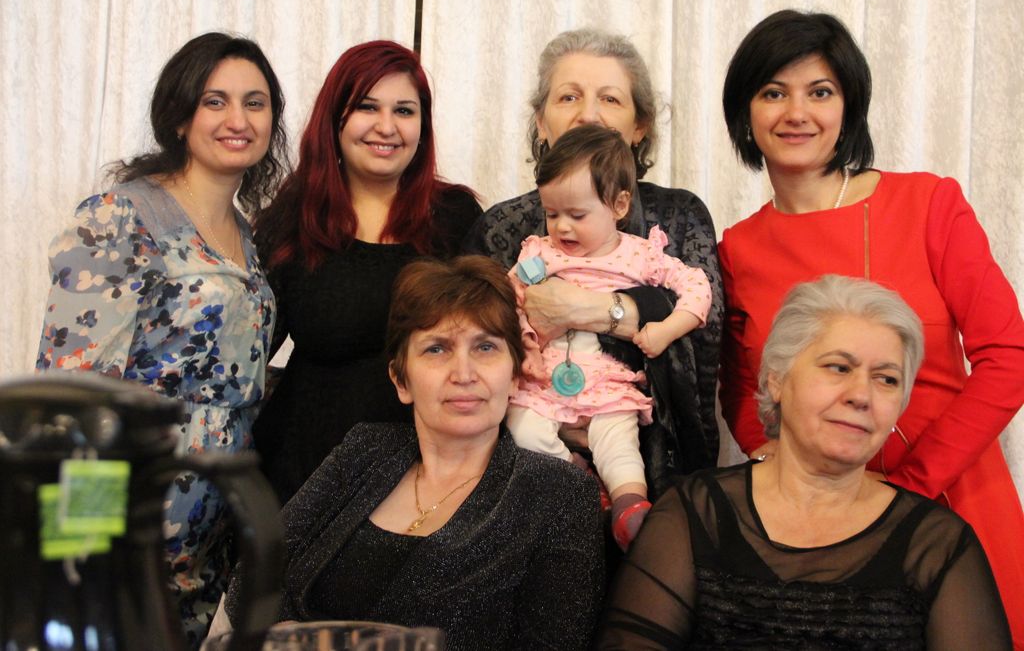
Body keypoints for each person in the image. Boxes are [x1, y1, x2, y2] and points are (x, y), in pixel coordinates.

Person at [717, 9, 1024, 644]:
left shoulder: (927, 203)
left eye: (819, 92)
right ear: (745, 112)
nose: (796, 113)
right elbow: (743, 384)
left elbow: (1009, 356)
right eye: (773, 92)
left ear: (849, 107)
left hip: (953, 496)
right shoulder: (737, 249)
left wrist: (910, 485)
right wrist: (770, 458)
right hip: (818, 524)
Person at [36, 32, 288, 646]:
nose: (238, 120)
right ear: (179, 117)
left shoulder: (247, 235)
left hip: (211, 532)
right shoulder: (121, 217)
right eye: (215, 101)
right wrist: (78, 550)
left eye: (255, 103)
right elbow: (73, 398)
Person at [598, 275, 1012, 648]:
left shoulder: (939, 544)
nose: (861, 395)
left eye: (887, 379)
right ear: (777, 380)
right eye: (839, 367)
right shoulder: (692, 513)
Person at [223, 255, 605, 650]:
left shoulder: (560, 494)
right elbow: (253, 576)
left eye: (486, 347)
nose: (464, 374)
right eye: (437, 349)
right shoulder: (364, 450)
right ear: (401, 379)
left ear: (514, 376)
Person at [465, 28, 722, 497]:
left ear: (639, 126)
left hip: (662, 457)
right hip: (526, 458)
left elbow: (706, 333)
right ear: (541, 122)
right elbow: (475, 341)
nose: (588, 114)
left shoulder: (680, 214)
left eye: (610, 98)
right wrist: (553, 416)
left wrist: (586, 309)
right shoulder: (504, 226)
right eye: (568, 97)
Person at [252, 41, 482, 504]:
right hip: (303, 475)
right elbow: (250, 352)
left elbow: (494, 339)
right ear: (334, 119)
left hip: (431, 478)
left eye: (404, 111)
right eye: (367, 107)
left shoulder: (456, 216)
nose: (386, 127)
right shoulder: (292, 220)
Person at [506, 124, 711, 550]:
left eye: (577, 215)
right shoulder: (540, 253)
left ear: (619, 205)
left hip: (609, 384)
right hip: (544, 382)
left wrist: (667, 329)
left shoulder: (640, 254)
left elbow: (697, 286)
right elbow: (509, 299)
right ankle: (577, 476)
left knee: (618, 442)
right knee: (522, 430)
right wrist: (525, 343)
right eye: (551, 214)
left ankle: (629, 504)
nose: (562, 227)